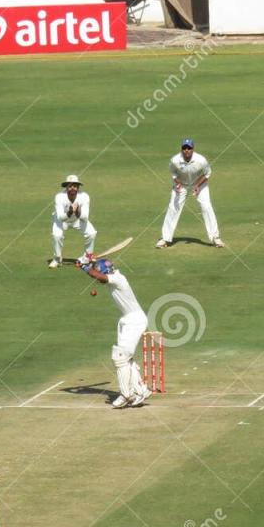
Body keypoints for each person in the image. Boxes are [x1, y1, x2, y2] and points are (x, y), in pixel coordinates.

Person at [78, 256, 150, 409]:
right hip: (127, 320)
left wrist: (85, 267)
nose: (98, 279)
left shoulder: (118, 278)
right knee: (125, 358)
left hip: (135, 321)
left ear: (105, 270)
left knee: (120, 357)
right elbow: (99, 275)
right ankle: (140, 390)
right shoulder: (112, 276)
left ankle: (127, 395)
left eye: (99, 270)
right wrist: (88, 263)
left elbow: (98, 275)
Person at [156, 138, 224, 249]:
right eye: (184, 148)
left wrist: (197, 186)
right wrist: (177, 183)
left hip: (199, 184)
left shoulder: (201, 160)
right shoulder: (175, 160)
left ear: (193, 149)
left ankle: (215, 238)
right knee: (173, 208)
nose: (186, 150)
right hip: (181, 185)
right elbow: (173, 173)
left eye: (189, 148)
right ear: (181, 149)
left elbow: (207, 174)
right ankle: (165, 239)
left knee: (206, 206)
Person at [49, 173, 96, 268]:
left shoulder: (84, 196)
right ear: (66, 187)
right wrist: (70, 212)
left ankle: (87, 258)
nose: (72, 188)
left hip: (77, 220)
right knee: (57, 235)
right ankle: (57, 259)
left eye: (75, 186)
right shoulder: (59, 197)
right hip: (62, 221)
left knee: (92, 233)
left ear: (78, 187)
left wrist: (78, 212)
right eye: (70, 186)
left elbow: (85, 217)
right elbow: (60, 218)